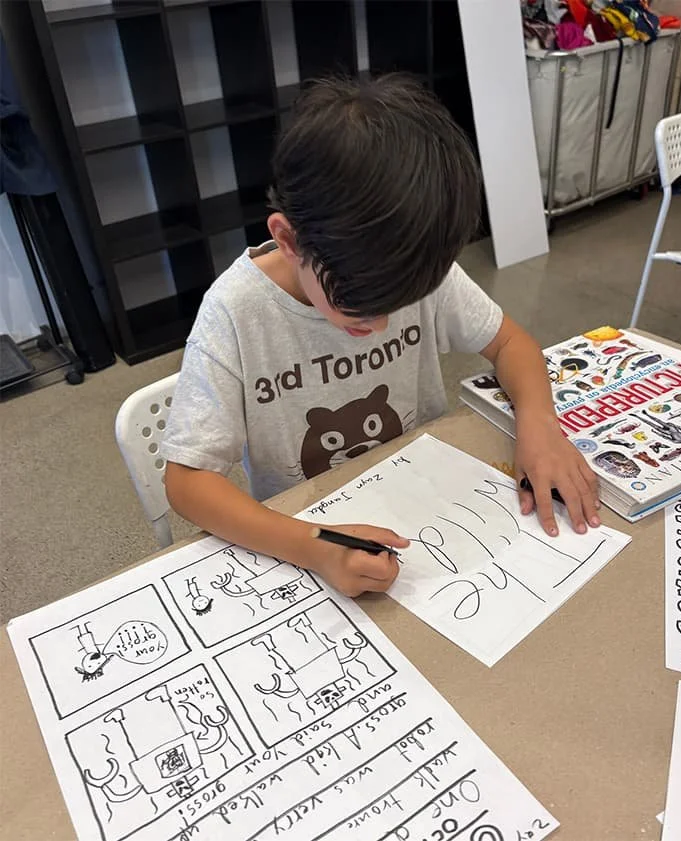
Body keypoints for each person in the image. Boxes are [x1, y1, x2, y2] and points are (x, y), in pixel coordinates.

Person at [161, 74, 600, 598]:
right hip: (306, 535)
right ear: (288, 240)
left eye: (399, 306)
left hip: (428, 502)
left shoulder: (408, 266)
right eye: (360, 309)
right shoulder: (235, 313)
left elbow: (510, 344)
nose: (383, 325)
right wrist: (312, 544)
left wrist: (538, 424)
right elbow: (187, 483)